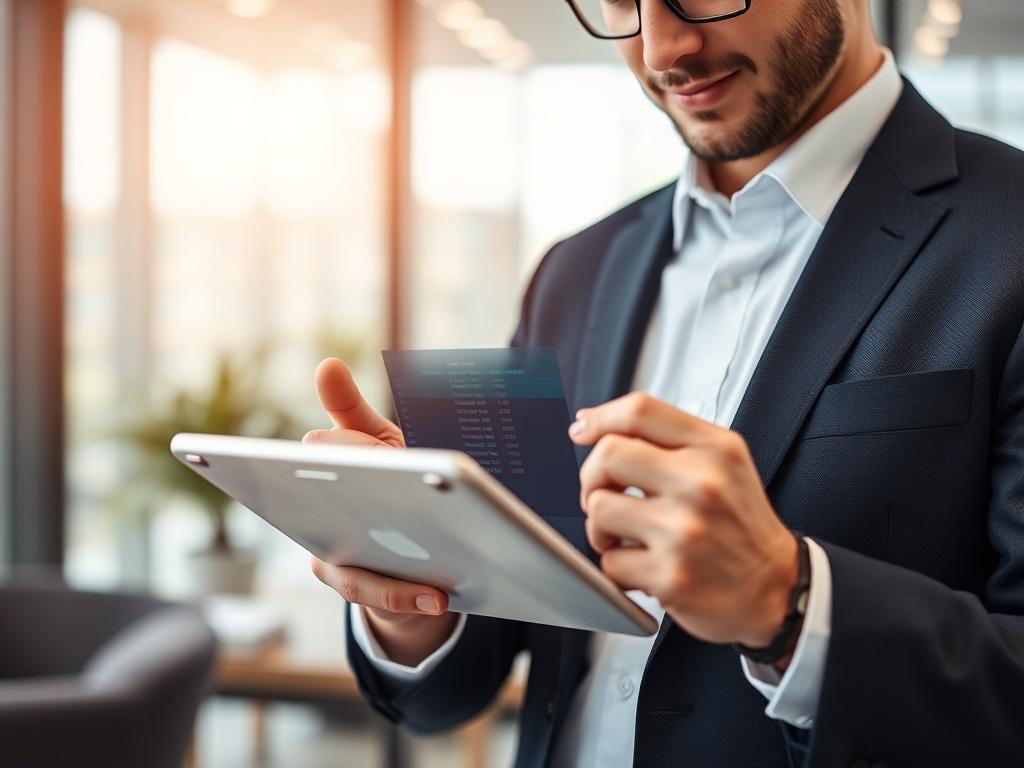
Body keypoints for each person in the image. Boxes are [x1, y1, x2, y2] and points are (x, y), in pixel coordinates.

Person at [304, 0, 1024, 765]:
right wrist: (416, 588)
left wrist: (789, 601)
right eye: (622, 0)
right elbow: (470, 673)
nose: (660, 49)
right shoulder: (574, 271)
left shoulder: (1006, 237)